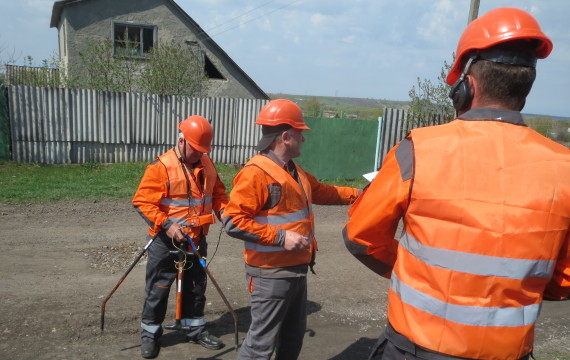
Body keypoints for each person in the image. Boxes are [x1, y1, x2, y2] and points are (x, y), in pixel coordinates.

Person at [343, 7, 570, 360]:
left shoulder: (417, 149)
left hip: (416, 348)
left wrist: (413, 274)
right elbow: (563, 282)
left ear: (467, 86)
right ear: (526, 86)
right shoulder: (564, 167)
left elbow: (361, 237)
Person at [222, 99, 360, 360]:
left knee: (292, 339)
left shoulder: (293, 171)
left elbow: (324, 191)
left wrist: (360, 195)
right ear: (285, 137)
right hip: (269, 274)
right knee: (260, 346)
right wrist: (281, 237)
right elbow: (233, 221)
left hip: (296, 270)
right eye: (300, 133)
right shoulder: (255, 174)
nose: (303, 139)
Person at [132, 115, 228, 358]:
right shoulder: (161, 167)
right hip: (166, 242)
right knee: (159, 288)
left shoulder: (207, 163)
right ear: (181, 140)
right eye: (195, 149)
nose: (199, 154)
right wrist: (167, 224)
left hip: (197, 238)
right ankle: (150, 335)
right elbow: (142, 202)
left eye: (203, 150)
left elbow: (218, 193)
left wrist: (225, 211)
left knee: (197, 286)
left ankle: (194, 329)